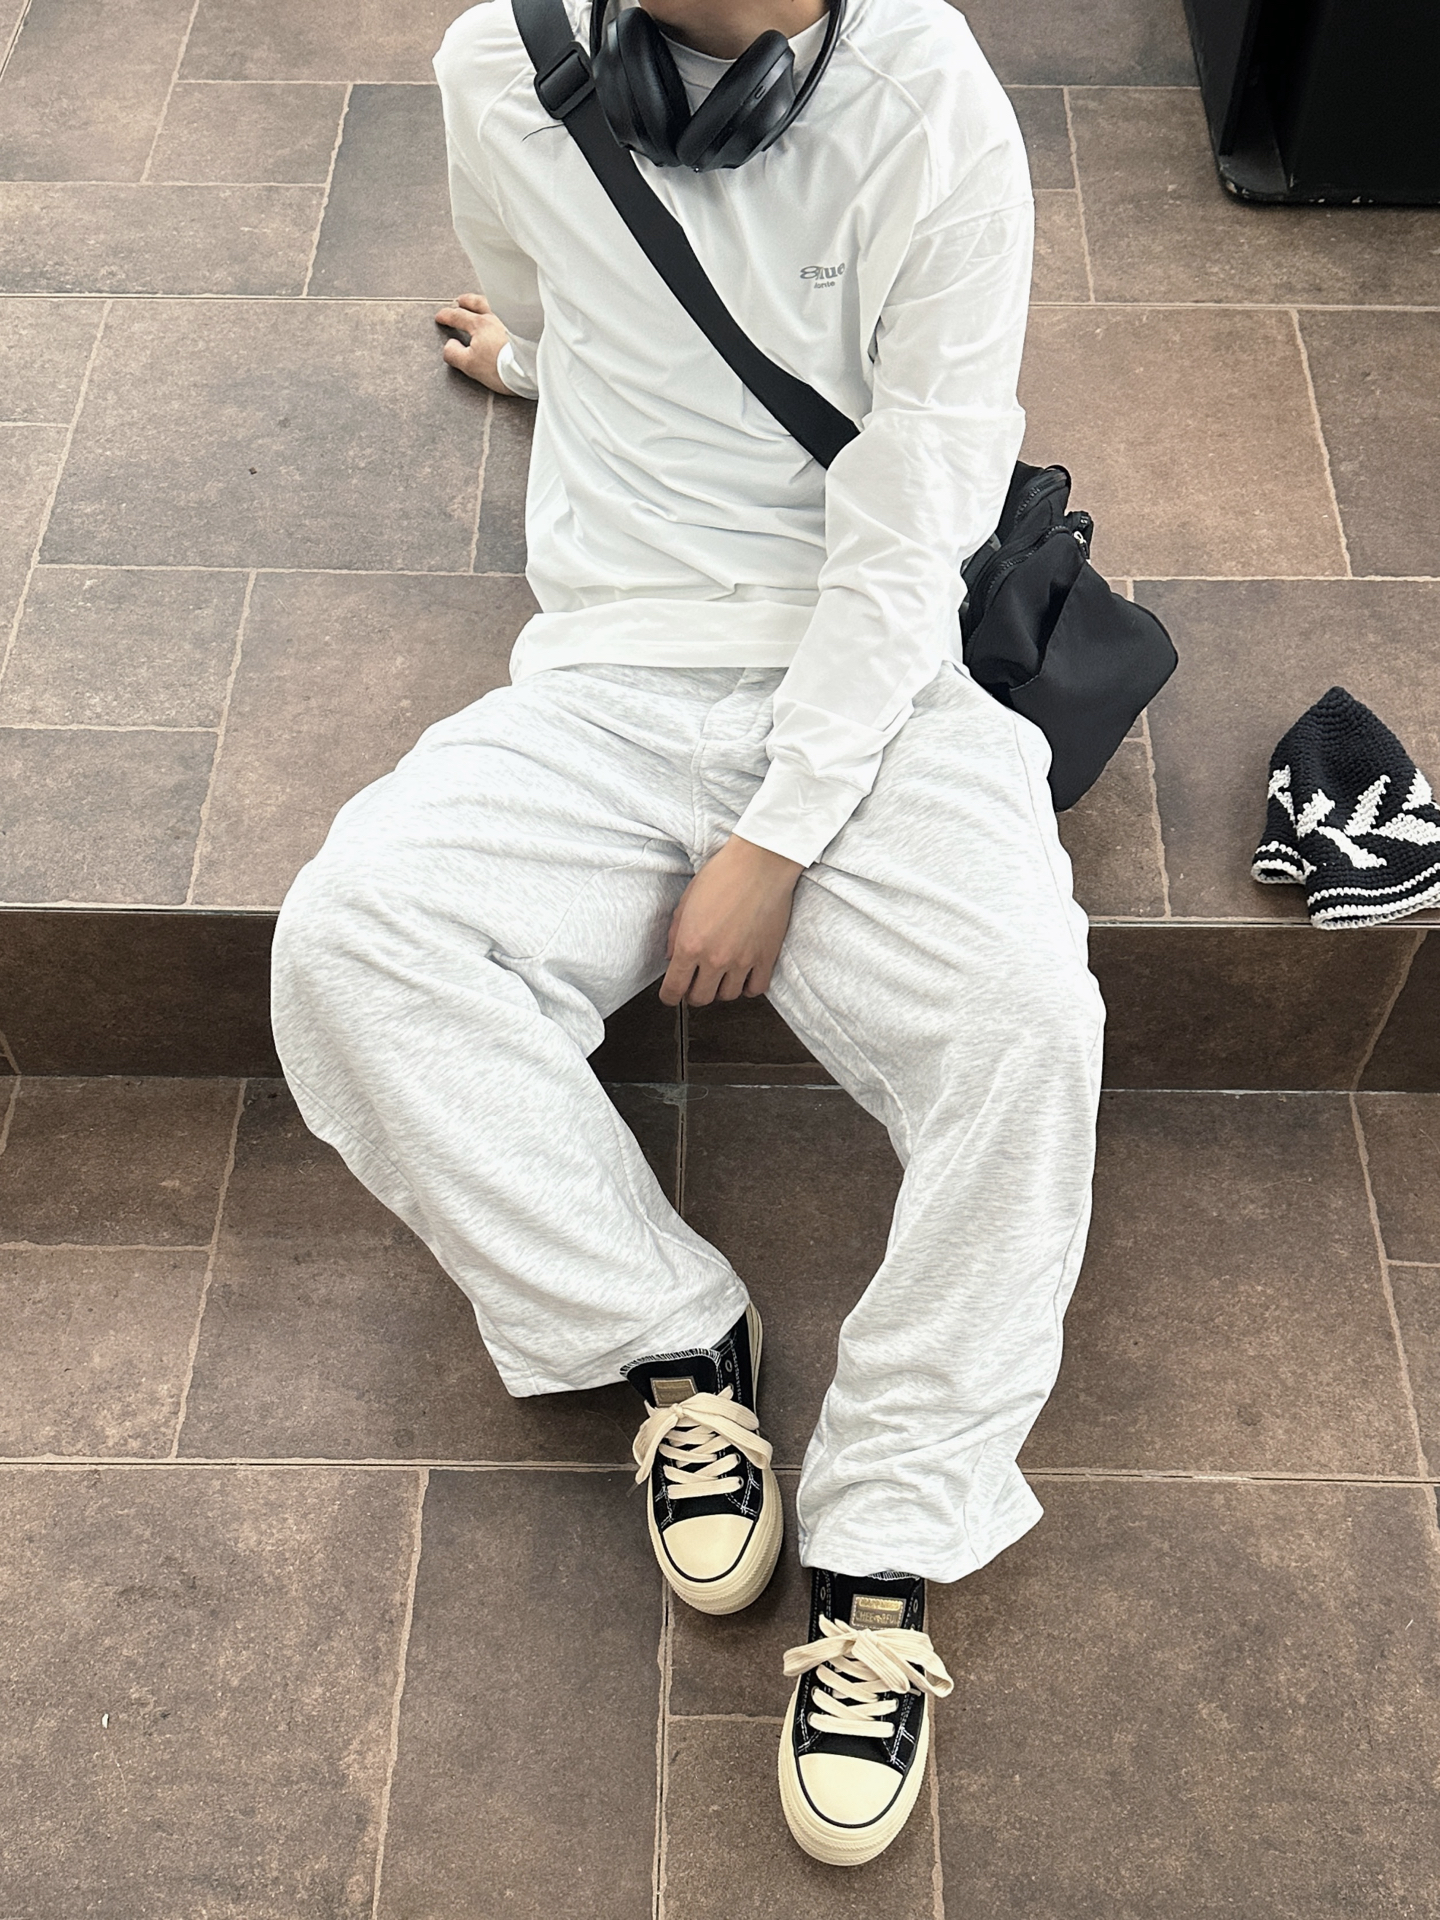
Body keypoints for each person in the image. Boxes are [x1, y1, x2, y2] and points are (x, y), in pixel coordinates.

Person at [271, 0, 1104, 1867]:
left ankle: (888, 1532)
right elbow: (578, 300)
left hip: (874, 680)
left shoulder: (930, 107)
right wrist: (543, 370)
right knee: (351, 940)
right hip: (611, 674)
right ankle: (669, 1339)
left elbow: (921, 503)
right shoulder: (499, 69)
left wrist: (776, 835)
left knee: (1031, 1028)